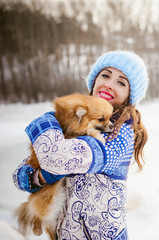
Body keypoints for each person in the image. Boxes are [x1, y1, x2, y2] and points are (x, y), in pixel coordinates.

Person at [12, 51, 149, 240]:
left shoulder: (120, 135)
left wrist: (43, 123)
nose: (109, 84)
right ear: (94, 80)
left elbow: (58, 159)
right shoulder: (73, 121)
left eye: (121, 82)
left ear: (128, 96)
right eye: (106, 75)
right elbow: (19, 177)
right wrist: (39, 178)